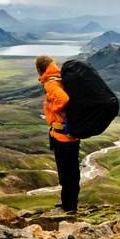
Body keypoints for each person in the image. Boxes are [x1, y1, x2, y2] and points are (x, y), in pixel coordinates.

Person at [36, 55, 80, 212]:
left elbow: (63, 99)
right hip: (68, 134)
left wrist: (53, 109)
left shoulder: (51, 83)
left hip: (63, 137)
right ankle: (69, 203)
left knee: (66, 174)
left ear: (40, 70)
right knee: (71, 172)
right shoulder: (59, 78)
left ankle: (69, 207)